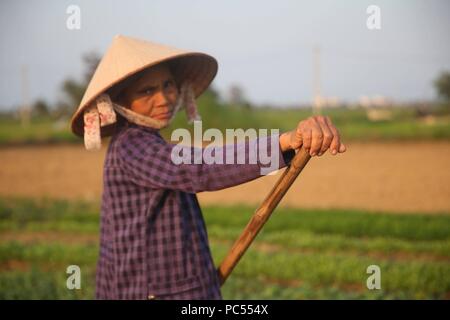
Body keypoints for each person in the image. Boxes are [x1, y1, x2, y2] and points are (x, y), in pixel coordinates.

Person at [70, 35, 346, 300]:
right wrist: (285, 142)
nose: (164, 98)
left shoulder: (147, 140)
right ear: (117, 102)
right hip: (148, 291)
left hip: (182, 284)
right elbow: (199, 168)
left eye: (168, 85)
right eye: (147, 91)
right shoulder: (132, 146)